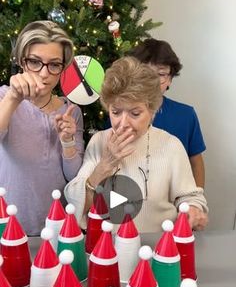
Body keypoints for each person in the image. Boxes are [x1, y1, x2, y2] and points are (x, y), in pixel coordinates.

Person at [65, 56, 208, 233]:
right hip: (107, 249)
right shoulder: (99, 141)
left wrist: (193, 208)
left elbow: (190, 196)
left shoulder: (171, 145)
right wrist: (105, 165)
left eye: (135, 113)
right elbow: (76, 202)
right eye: (116, 112)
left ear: (152, 111)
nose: (123, 123)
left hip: (159, 248)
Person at [0, 20, 84, 235]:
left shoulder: (70, 111)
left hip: (59, 225)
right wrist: (13, 98)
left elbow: (74, 177)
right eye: (35, 62)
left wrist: (67, 142)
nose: (44, 74)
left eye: (54, 65)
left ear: (62, 68)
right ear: (21, 61)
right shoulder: (3, 97)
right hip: (10, 225)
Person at [128, 38, 206, 188]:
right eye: (146, 73)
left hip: (177, 199)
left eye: (161, 74)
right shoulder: (121, 115)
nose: (153, 81)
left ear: (170, 78)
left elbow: (196, 162)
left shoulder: (186, 115)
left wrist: (197, 200)